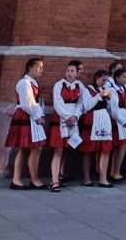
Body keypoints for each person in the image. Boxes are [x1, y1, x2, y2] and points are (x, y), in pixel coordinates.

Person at [6, 58, 47, 190]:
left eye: (42, 67)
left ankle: (17, 180)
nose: (41, 70)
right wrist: (37, 117)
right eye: (39, 67)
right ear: (30, 68)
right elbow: (27, 103)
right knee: (35, 148)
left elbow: (37, 102)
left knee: (26, 149)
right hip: (26, 116)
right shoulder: (24, 83)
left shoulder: (33, 83)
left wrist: (41, 114)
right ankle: (32, 180)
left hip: (31, 116)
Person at [48, 61, 83, 192]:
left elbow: (81, 104)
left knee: (67, 149)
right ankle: (54, 181)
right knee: (58, 150)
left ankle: (60, 176)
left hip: (73, 121)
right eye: (68, 71)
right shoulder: (58, 85)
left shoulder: (80, 86)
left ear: (77, 73)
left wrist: (75, 116)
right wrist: (67, 117)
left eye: (72, 71)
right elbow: (57, 103)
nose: (69, 73)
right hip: (61, 120)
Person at [79, 70, 115, 187]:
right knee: (88, 151)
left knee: (106, 149)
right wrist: (99, 96)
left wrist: (109, 99)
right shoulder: (87, 90)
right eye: (103, 80)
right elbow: (87, 106)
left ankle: (103, 178)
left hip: (104, 120)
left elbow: (110, 108)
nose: (104, 83)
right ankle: (86, 178)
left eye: (106, 80)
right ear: (97, 78)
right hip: (92, 120)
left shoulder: (103, 90)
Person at [109, 67, 126, 182]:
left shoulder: (125, 90)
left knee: (123, 145)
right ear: (117, 77)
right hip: (118, 121)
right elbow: (113, 109)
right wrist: (123, 121)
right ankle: (113, 171)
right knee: (117, 146)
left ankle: (116, 170)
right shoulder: (113, 90)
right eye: (124, 77)